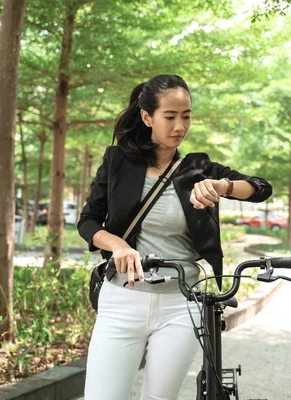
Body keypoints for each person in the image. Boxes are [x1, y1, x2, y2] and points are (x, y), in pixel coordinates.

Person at [77, 74, 272, 400]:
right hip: (122, 300)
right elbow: (88, 221)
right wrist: (117, 244)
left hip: (180, 305)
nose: (180, 126)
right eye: (170, 117)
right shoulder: (118, 161)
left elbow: (261, 188)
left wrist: (222, 186)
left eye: (187, 116)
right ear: (147, 116)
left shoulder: (198, 168)